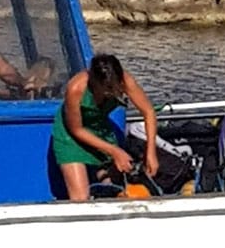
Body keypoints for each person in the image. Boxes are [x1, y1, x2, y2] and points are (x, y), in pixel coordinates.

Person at [51, 54, 159, 201]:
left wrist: (150, 152)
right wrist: (114, 151)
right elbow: (76, 129)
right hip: (70, 134)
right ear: (94, 81)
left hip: (99, 126)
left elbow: (148, 112)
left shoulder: (125, 81)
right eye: (107, 89)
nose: (112, 93)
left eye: (115, 87)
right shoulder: (76, 88)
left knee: (118, 186)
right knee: (80, 198)